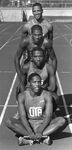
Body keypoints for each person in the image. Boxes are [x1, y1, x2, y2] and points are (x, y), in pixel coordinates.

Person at [6, 73, 65, 146]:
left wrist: (40, 130)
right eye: (34, 82)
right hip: (28, 124)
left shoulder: (47, 95)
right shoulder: (22, 96)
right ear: (29, 83)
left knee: (61, 120)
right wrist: (30, 131)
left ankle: (28, 139)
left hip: (43, 124)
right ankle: (41, 138)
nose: (37, 84)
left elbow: (48, 116)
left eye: (39, 82)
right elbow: (23, 116)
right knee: (8, 122)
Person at [14, 24, 57, 92]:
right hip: (30, 67)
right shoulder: (26, 41)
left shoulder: (46, 42)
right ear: (31, 35)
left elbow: (54, 59)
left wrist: (52, 75)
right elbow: (17, 58)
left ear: (42, 34)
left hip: (42, 67)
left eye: (39, 34)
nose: (37, 37)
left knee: (53, 90)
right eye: (35, 35)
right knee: (20, 90)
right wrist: (20, 76)